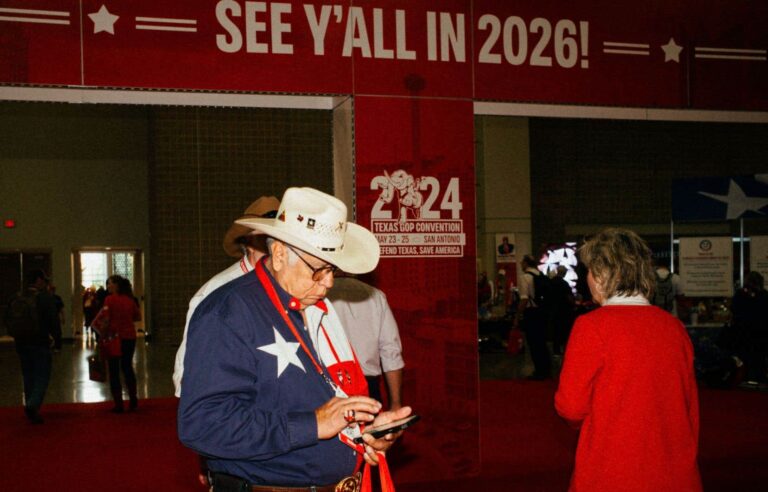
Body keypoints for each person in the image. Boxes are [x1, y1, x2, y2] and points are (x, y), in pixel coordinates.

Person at [178, 187, 411, 491]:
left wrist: (364, 431)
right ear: (278, 254)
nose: (328, 283)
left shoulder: (315, 308)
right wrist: (312, 424)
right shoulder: (228, 312)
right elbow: (203, 425)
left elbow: (322, 397)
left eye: (332, 270)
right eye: (319, 269)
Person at [555, 228, 701, 492]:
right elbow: (689, 408)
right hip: (674, 473)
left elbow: (571, 407)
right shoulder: (674, 328)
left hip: (612, 470)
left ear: (601, 276)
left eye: (588, 270)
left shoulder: (591, 327)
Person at [172, 195, 280, 397]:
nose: (275, 248)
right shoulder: (216, 292)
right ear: (247, 242)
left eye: (282, 240)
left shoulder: (298, 287)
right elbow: (188, 375)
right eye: (265, 239)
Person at [327, 276, 405, 409]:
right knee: (369, 429)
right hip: (367, 388)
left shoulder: (314, 294)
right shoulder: (375, 296)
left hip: (328, 386)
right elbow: (391, 353)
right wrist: (396, 404)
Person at [3, 269, 57, 424]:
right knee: (42, 375)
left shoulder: (16, 297)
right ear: (39, 280)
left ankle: (29, 404)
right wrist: (57, 340)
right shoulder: (44, 298)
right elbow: (53, 320)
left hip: (21, 342)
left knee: (28, 374)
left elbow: (6, 318)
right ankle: (33, 405)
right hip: (39, 341)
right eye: (44, 280)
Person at [92, 275, 141, 413]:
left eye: (110, 284)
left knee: (114, 370)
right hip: (129, 337)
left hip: (114, 338)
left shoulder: (109, 299)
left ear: (117, 285)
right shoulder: (130, 300)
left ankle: (119, 404)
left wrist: (101, 333)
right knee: (127, 367)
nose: (108, 287)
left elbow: (106, 319)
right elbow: (138, 317)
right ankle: (133, 399)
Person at [515, 254, 551, 379]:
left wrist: (517, 316)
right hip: (543, 312)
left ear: (526, 263)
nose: (520, 265)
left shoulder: (525, 277)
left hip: (532, 313)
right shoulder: (541, 276)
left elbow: (524, 299)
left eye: (521, 262)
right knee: (542, 342)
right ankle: (546, 369)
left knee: (533, 343)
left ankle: (539, 371)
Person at [730, 271, 768, 384]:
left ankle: (747, 378)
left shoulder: (740, 295)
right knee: (760, 358)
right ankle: (759, 378)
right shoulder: (764, 295)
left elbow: (735, 310)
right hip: (761, 333)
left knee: (745, 357)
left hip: (743, 332)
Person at [550, 265, 575, 356]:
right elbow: (569, 298)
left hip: (553, 310)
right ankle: (565, 350)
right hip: (564, 311)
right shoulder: (564, 284)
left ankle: (556, 350)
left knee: (555, 331)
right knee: (565, 331)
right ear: (564, 273)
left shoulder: (551, 282)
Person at [48, 283, 64, 351]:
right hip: (48, 317)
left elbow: (61, 309)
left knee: (57, 332)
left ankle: (57, 346)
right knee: (49, 332)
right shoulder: (47, 297)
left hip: (55, 316)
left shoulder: (57, 298)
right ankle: (51, 345)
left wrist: (63, 317)